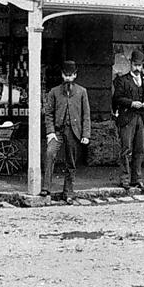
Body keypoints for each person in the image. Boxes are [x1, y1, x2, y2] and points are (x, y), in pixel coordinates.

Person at [42, 60, 90, 204]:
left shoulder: (82, 92)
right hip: (57, 131)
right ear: (62, 75)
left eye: (70, 75)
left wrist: (86, 134)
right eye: (65, 75)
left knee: (71, 161)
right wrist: (50, 132)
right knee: (50, 154)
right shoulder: (54, 92)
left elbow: (86, 115)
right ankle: (46, 188)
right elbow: (48, 113)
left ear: (75, 75)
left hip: (73, 132)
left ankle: (68, 192)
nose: (68, 78)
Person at [112, 48, 144, 193]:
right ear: (130, 64)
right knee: (126, 149)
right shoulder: (122, 80)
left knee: (139, 150)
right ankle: (125, 179)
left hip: (141, 118)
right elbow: (116, 98)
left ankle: (137, 179)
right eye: (135, 65)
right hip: (127, 118)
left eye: (139, 66)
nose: (137, 68)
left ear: (143, 66)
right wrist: (131, 103)